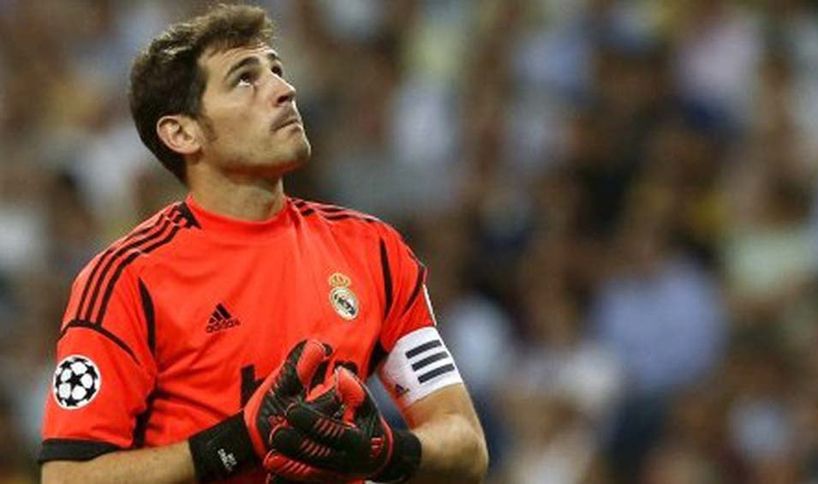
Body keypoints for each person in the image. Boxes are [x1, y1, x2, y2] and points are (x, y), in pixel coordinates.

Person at [39, 4, 488, 483]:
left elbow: (467, 446)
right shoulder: (128, 279)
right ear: (182, 132)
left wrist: (385, 451)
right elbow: (66, 477)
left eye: (277, 70)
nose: (283, 89)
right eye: (245, 79)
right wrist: (235, 442)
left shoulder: (372, 250)